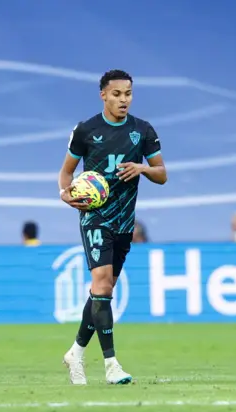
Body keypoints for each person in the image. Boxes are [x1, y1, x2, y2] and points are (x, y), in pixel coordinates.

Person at [58, 69, 167, 385]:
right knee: (102, 284)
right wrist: (66, 195)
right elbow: (66, 174)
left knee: (102, 292)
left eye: (128, 94)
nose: (124, 100)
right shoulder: (86, 130)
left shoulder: (142, 131)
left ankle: (76, 352)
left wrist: (142, 169)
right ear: (103, 94)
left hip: (124, 222)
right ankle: (111, 365)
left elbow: (162, 174)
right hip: (95, 217)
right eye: (117, 94)